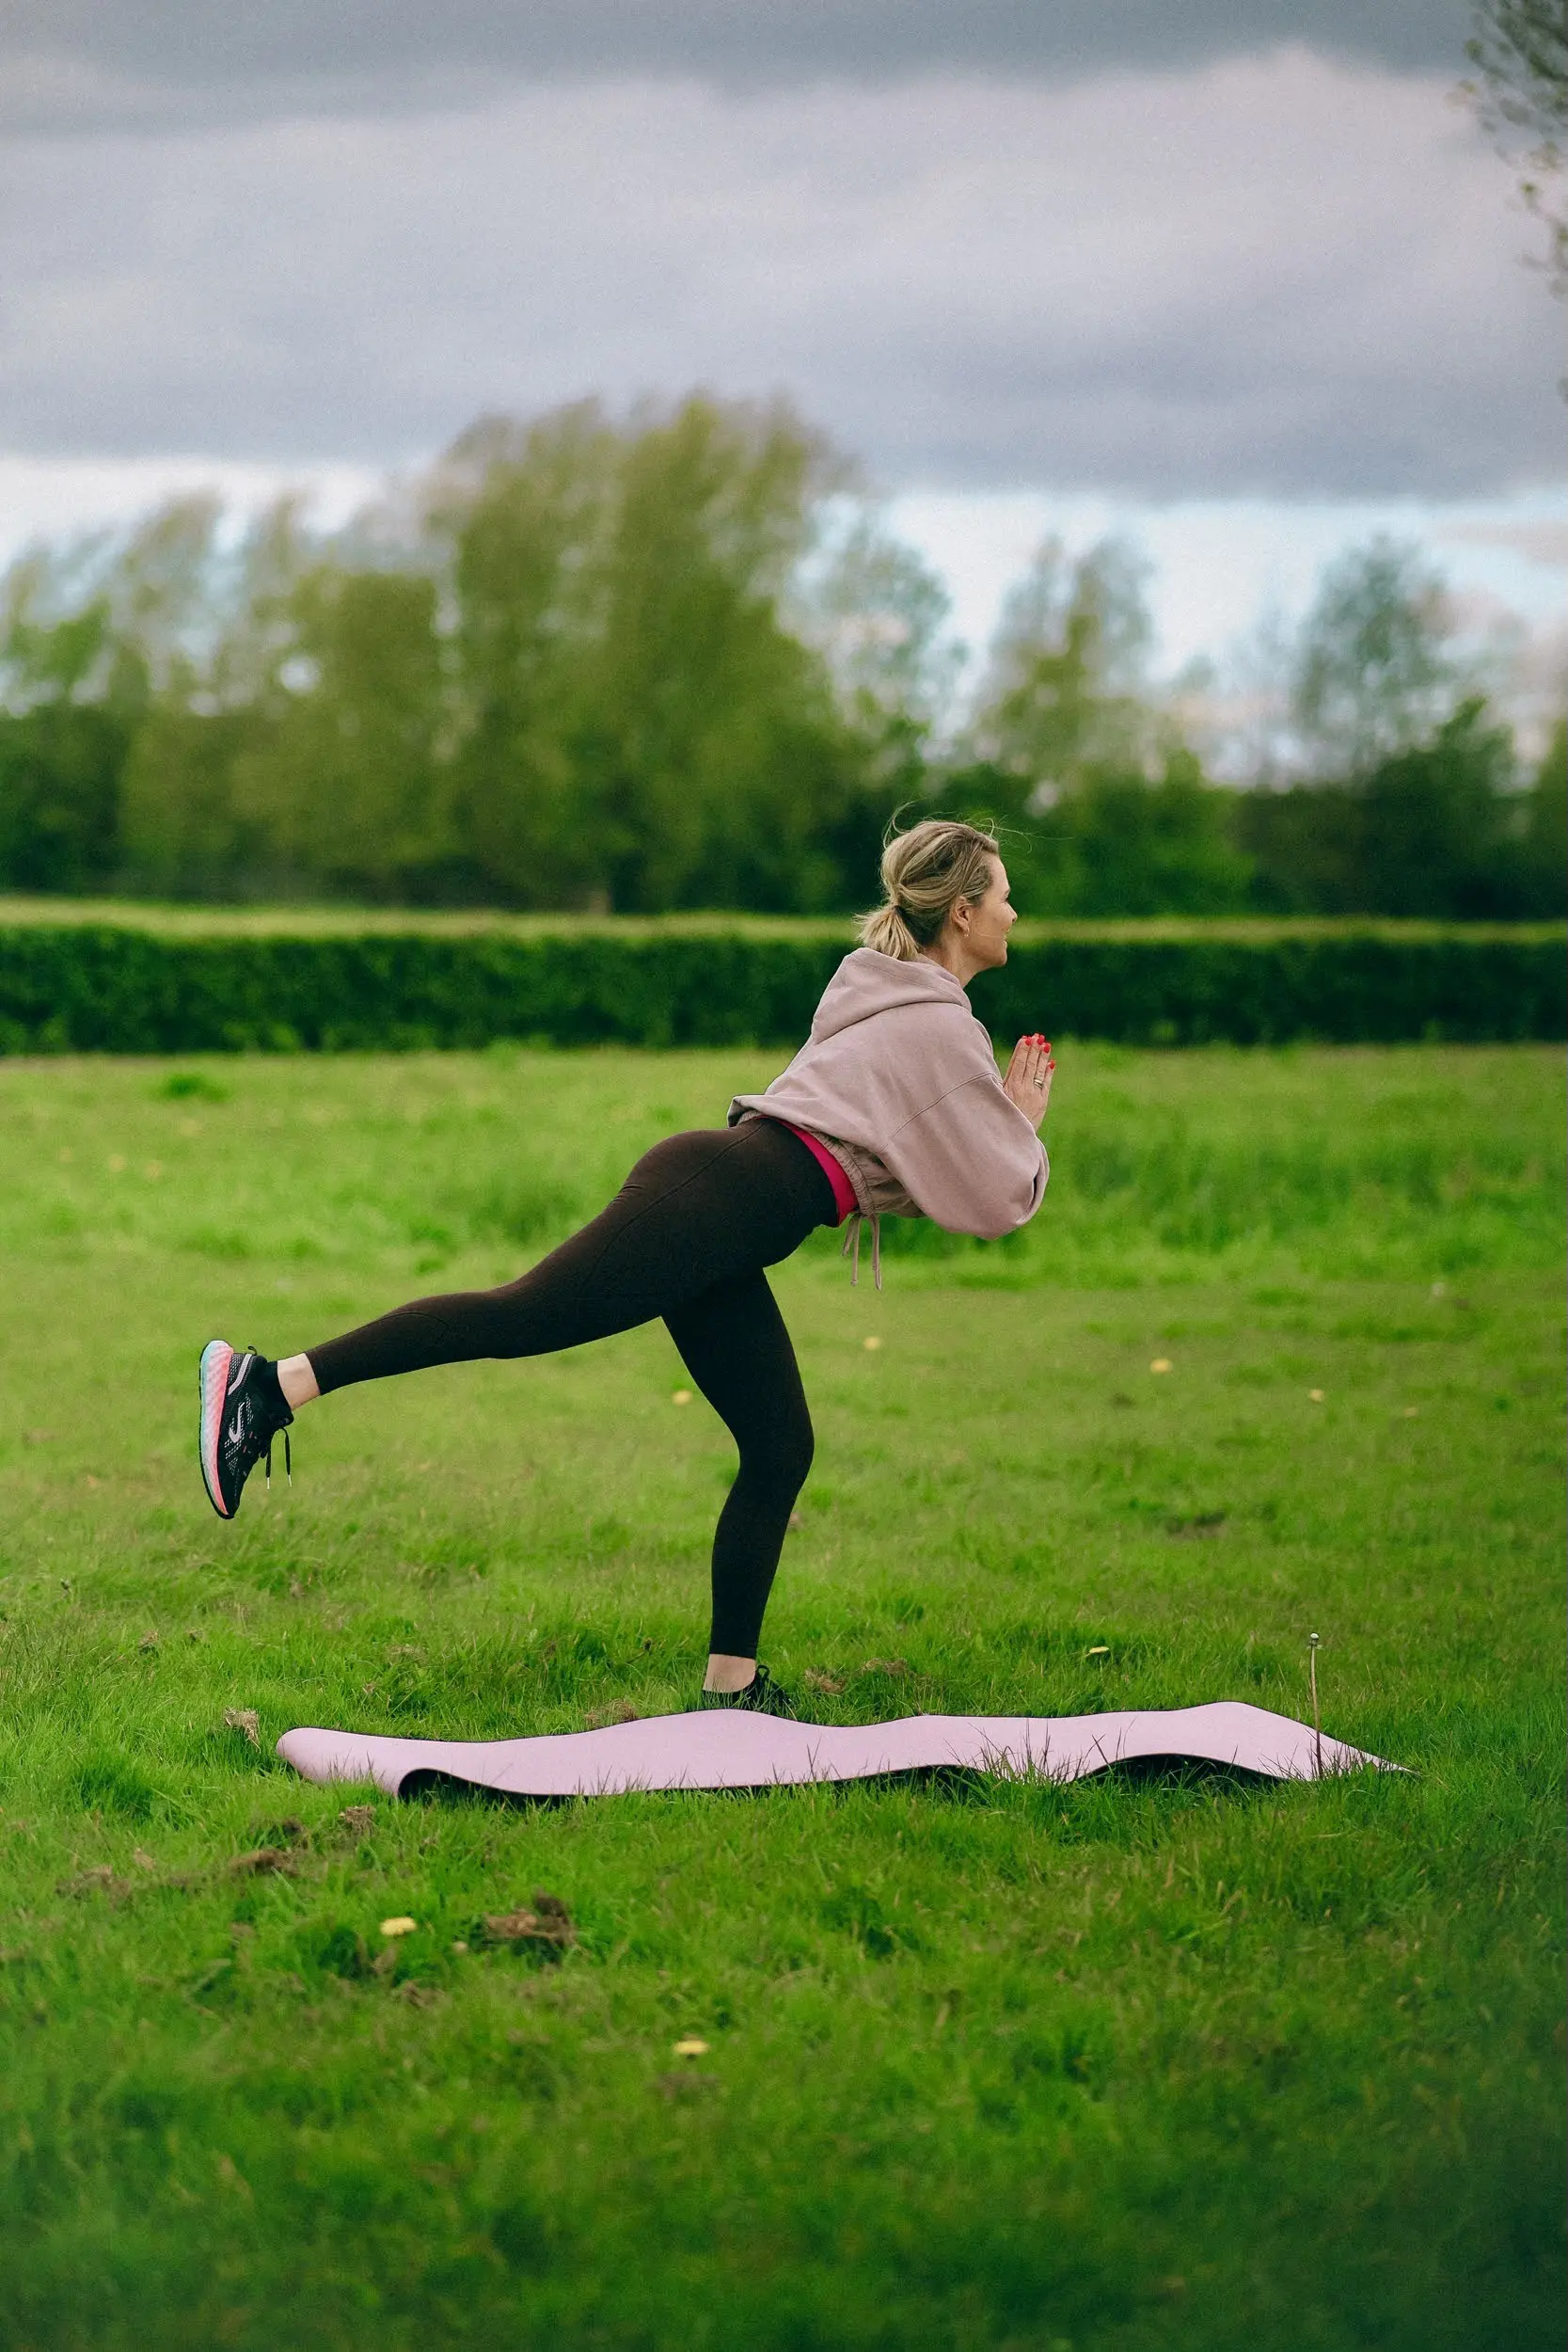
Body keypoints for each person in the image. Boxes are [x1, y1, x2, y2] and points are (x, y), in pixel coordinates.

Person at [197, 819, 1054, 1718]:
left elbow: (915, 1161)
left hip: (729, 1211)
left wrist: (993, 1126)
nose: (1012, 911)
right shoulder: (940, 1030)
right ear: (961, 912)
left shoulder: (889, 999)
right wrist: (1020, 1122)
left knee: (779, 1446)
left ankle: (734, 1690)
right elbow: (995, 1195)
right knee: (521, 1314)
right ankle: (269, 1383)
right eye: (999, 896)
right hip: (715, 1198)